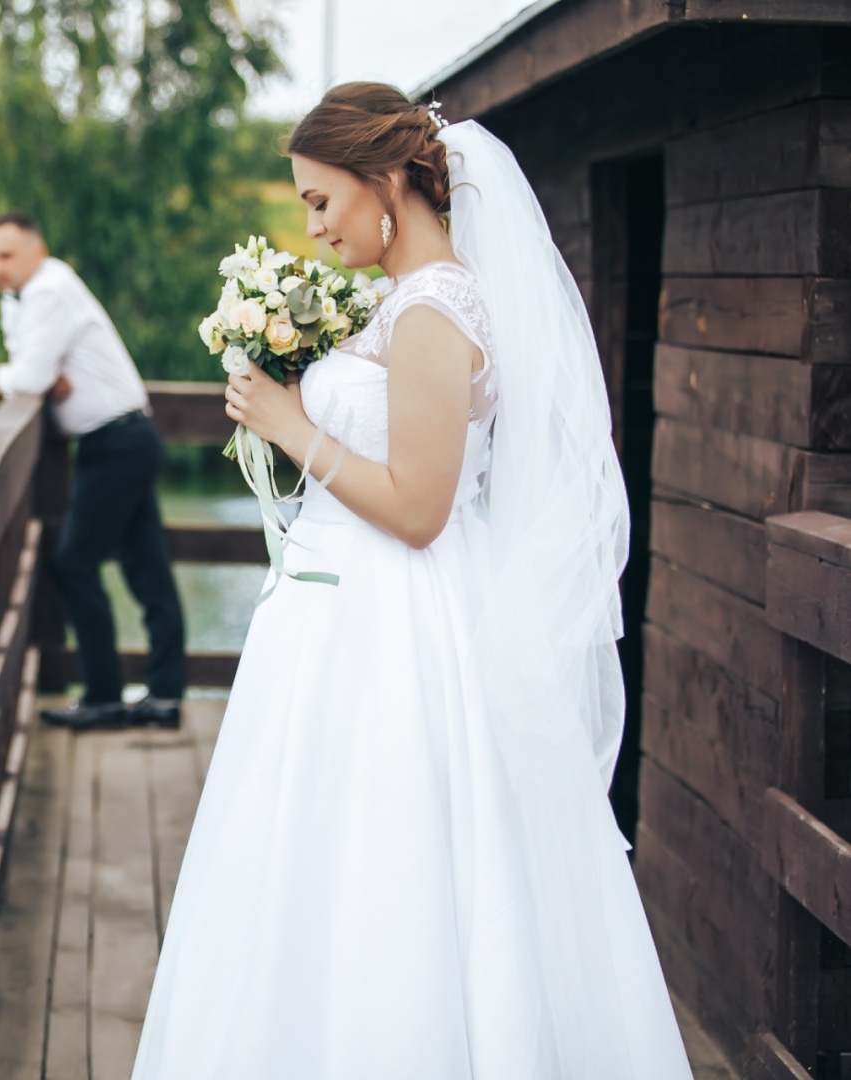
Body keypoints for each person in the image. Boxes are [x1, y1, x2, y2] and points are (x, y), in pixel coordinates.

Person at [131, 84, 694, 1078]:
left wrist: (290, 423)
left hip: (400, 619)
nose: (312, 225)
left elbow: (422, 507)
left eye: (319, 200)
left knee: (390, 862)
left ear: (384, 180)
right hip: (335, 609)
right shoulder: (392, 300)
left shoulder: (437, 307)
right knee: (304, 860)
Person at [0, 212, 186, 730]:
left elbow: (25, 374)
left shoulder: (48, 289)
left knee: (74, 562)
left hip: (116, 442)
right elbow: (35, 369)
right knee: (147, 569)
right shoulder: (24, 296)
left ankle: (103, 697)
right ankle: (162, 696)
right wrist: (39, 375)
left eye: (7, 255)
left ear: (37, 250)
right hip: (122, 439)